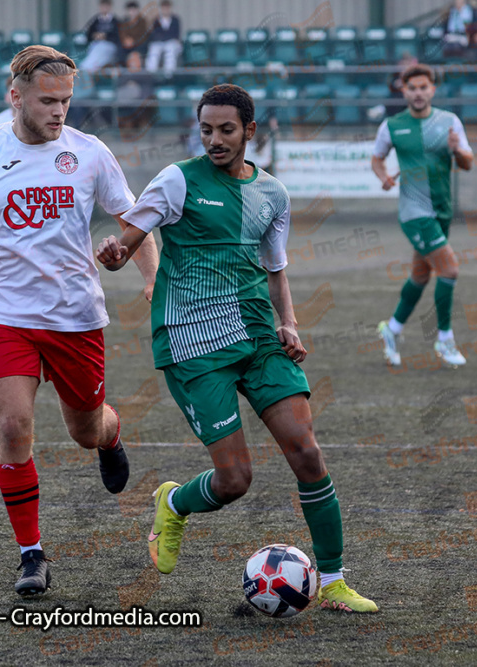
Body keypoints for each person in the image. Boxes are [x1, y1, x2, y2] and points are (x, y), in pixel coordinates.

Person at [95, 84, 379, 614]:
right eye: (206, 130)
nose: (215, 139)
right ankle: (174, 503)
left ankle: (335, 581)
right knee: (235, 480)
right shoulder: (179, 180)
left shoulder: (273, 194)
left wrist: (289, 323)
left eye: (226, 130)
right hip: (194, 344)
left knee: (308, 452)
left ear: (250, 130)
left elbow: (276, 269)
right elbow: (128, 242)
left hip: (257, 337)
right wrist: (114, 253)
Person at [0, 45, 159, 597]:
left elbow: (137, 221)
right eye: (48, 101)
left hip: (76, 319)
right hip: (7, 316)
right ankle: (31, 555)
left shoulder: (90, 153)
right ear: (16, 97)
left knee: (83, 431)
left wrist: (148, 273)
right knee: (12, 427)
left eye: (67, 101)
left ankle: (110, 432)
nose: (59, 112)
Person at [372, 64, 474, 369]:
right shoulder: (391, 126)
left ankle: (391, 331)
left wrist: (457, 151)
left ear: (432, 89)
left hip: (442, 210)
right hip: (415, 214)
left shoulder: (449, 122)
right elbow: (376, 159)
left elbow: (468, 163)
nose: (418, 93)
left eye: (423, 87)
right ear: (403, 90)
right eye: (412, 88)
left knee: (420, 275)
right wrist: (384, 177)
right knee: (449, 270)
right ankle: (444, 339)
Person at [80, 0, 121, 71]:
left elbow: (118, 37)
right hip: (95, 45)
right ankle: (86, 69)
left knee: (98, 55)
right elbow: (88, 34)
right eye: (102, 6)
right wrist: (95, 36)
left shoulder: (115, 21)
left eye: (106, 6)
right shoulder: (95, 20)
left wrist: (105, 36)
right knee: (94, 53)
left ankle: (86, 68)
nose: (104, 8)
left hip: (109, 47)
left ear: (109, 7)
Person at [146, 0, 182, 73]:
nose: (165, 10)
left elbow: (176, 35)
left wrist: (165, 37)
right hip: (159, 43)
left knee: (170, 50)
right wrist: (165, 37)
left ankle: (169, 75)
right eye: (164, 8)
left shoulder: (175, 20)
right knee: (153, 50)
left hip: (171, 43)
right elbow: (154, 35)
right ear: (161, 9)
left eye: (167, 8)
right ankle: (151, 73)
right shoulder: (156, 20)